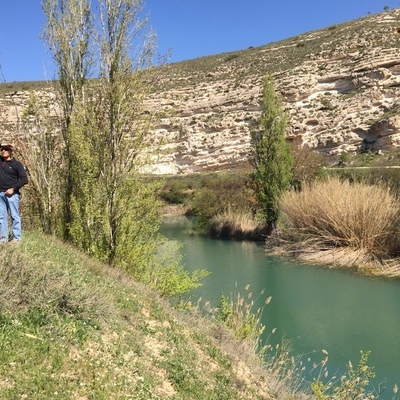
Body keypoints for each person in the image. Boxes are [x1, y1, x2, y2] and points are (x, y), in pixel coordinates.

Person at [0, 143, 28, 243]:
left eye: (6, 149)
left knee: (14, 216)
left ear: (11, 152)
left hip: (12, 195)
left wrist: (13, 188)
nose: (3, 151)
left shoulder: (17, 164)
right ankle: (3, 239)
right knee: (1, 217)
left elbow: (24, 179)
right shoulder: (0, 161)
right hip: (0, 194)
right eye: (2, 149)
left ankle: (17, 239)